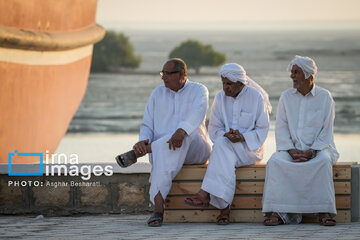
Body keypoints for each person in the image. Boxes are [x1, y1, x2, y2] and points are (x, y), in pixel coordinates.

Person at [115, 58, 211, 227]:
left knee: (184, 134)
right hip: (164, 151)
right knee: (164, 150)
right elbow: (147, 124)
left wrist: (182, 131)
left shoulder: (199, 90)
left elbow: (197, 114)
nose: (163, 77)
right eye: (162, 73)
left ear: (181, 74)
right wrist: (142, 141)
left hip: (195, 149)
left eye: (167, 73)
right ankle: (158, 209)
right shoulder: (157, 93)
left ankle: (143, 152)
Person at [184, 63, 271, 225]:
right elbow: (214, 127)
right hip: (226, 147)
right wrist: (226, 135)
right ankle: (224, 210)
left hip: (250, 150)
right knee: (224, 149)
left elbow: (263, 129)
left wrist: (243, 137)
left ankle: (208, 196)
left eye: (229, 84)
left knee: (221, 147)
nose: (226, 87)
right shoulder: (219, 98)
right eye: (223, 83)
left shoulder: (256, 97)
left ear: (240, 83)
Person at [262, 55, 339, 226]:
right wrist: (291, 150)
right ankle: (278, 212)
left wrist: (311, 152)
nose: (292, 76)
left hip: (321, 149)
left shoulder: (325, 97)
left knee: (323, 162)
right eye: (292, 72)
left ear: (309, 76)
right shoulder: (286, 97)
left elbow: (326, 131)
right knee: (275, 162)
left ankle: (324, 212)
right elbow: (281, 127)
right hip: (292, 149)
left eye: (296, 72)